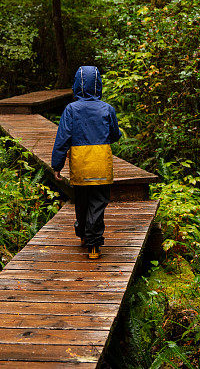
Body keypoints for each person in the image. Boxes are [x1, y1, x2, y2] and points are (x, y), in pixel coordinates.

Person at [51, 66, 121, 259]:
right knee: (98, 203)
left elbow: (62, 139)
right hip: (101, 163)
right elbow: (115, 135)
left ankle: (83, 235)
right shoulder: (107, 109)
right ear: (98, 84)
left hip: (80, 164)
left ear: (76, 85)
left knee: (81, 202)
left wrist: (57, 166)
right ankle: (94, 245)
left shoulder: (71, 109)